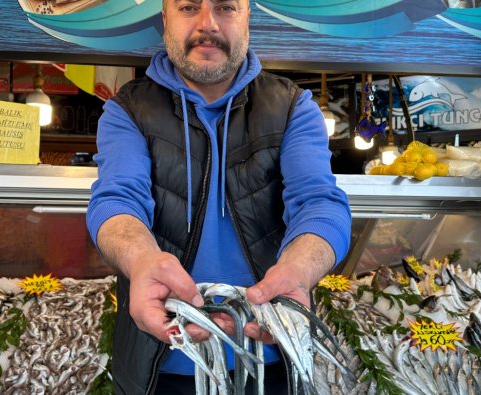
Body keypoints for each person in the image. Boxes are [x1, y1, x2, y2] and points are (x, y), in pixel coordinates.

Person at [86, 0, 352, 393]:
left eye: (226, 7)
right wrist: (141, 260)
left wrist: (301, 269)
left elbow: (320, 202)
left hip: (273, 354)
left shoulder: (294, 106)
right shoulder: (127, 108)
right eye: (189, 7)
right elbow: (116, 199)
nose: (207, 24)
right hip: (159, 360)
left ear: (247, 18)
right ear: (165, 18)